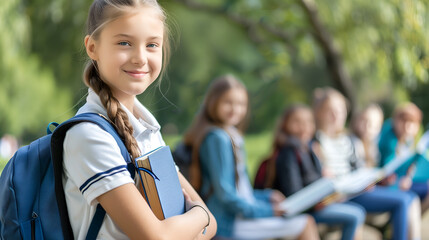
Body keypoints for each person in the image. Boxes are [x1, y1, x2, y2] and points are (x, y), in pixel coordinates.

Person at [62, 0, 217, 239]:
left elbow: (211, 225)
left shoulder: (147, 128)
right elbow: (159, 236)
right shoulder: (89, 135)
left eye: (152, 45)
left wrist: (200, 218)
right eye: (124, 43)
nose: (140, 58)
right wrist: (200, 215)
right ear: (92, 47)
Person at [184, 75, 319, 240]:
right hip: (229, 223)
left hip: (239, 216)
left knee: (304, 222)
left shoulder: (232, 135)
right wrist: (269, 211)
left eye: (241, 104)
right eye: (228, 102)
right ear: (214, 102)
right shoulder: (217, 138)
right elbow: (226, 196)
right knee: (305, 223)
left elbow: (242, 191)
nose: (235, 109)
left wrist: (267, 196)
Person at [312, 87, 420, 240]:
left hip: (356, 189)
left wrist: (372, 178)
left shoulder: (345, 140)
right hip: (340, 195)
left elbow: (356, 169)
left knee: (408, 198)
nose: (336, 116)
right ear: (319, 112)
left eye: (340, 111)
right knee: (402, 201)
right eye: (331, 110)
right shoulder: (315, 142)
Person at [266, 103, 365, 240]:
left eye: (308, 122)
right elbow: (293, 192)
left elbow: (317, 178)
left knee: (356, 211)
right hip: (304, 210)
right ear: (285, 125)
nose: (304, 127)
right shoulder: (289, 152)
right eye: (297, 122)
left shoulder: (308, 148)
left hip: (316, 204)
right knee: (356, 214)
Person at [351, 104, 421, 240]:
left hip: (372, 188)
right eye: (364, 121)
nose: (367, 127)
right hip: (357, 193)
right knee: (404, 200)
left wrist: (383, 179)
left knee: (410, 198)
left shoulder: (371, 146)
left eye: (373, 125)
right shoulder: (353, 143)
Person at [378, 102, 429, 214]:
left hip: (403, 181)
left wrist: (409, 176)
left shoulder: (408, 139)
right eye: (404, 121)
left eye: (411, 123)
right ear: (395, 121)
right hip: (388, 184)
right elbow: (389, 168)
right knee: (411, 200)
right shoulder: (389, 139)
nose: (407, 126)